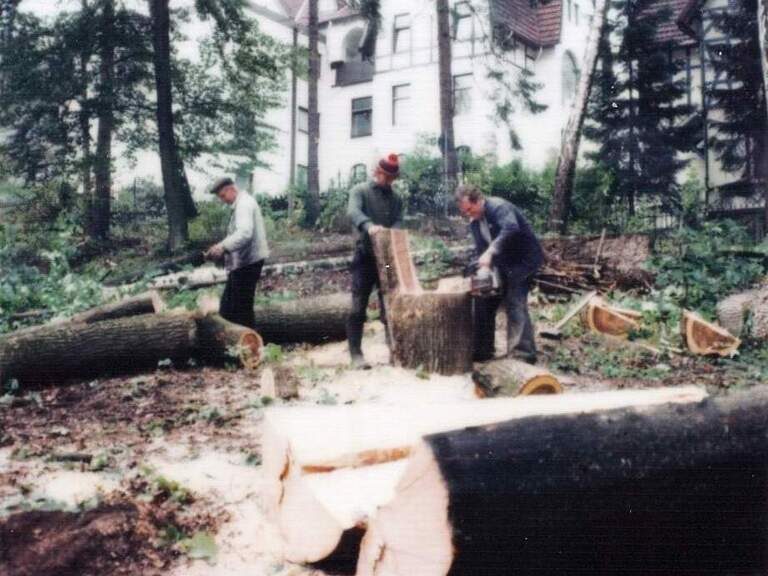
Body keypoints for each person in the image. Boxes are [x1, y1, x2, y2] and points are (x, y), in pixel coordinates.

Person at [456, 184, 544, 363]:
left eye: (470, 209)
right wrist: (483, 269)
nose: (468, 214)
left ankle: (523, 354)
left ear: (479, 200)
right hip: (503, 263)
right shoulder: (475, 223)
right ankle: (482, 350)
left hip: (523, 261)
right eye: (464, 211)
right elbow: (482, 249)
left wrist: (490, 252)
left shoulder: (498, 207)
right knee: (483, 299)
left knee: (514, 301)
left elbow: (511, 228)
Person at [346, 153, 404, 369]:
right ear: (376, 172)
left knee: (389, 301)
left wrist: (393, 232)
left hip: (386, 260)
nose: (389, 181)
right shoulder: (360, 191)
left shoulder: (396, 199)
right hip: (365, 258)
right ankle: (356, 354)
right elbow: (353, 211)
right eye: (385, 176)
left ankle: (394, 349)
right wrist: (369, 225)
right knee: (358, 305)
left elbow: (399, 219)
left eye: (392, 178)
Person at [205, 177, 270, 329]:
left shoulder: (244, 204)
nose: (223, 200)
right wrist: (220, 246)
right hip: (244, 263)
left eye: (222, 196)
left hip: (248, 263)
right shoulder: (241, 203)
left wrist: (223, 248)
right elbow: (236, 234)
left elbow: (245, 233)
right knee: (231, 308)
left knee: (239, 309)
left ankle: (248, 346)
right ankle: (240, 342)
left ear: (231, 189)